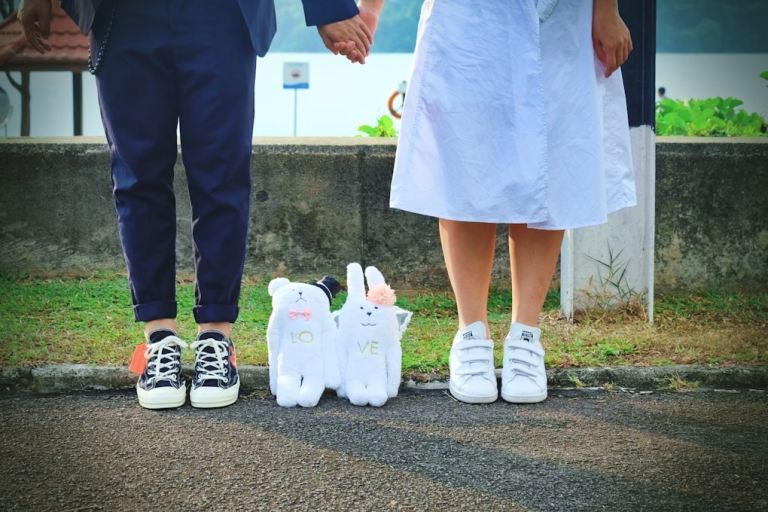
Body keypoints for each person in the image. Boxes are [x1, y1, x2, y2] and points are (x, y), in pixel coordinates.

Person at [17, 0, 372, 410]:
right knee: (137, 178)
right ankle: (159, 339)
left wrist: (327, 6)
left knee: (222, 176)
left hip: (222, 14)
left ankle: (216, 338)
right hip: (123, 14)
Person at [343, 0, 636, 404]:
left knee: (551, 162)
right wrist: (372, 8)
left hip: (561, 14)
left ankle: (526, 337)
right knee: (467, 163)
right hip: (467, 15)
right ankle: (471, 334)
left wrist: (605, 9)